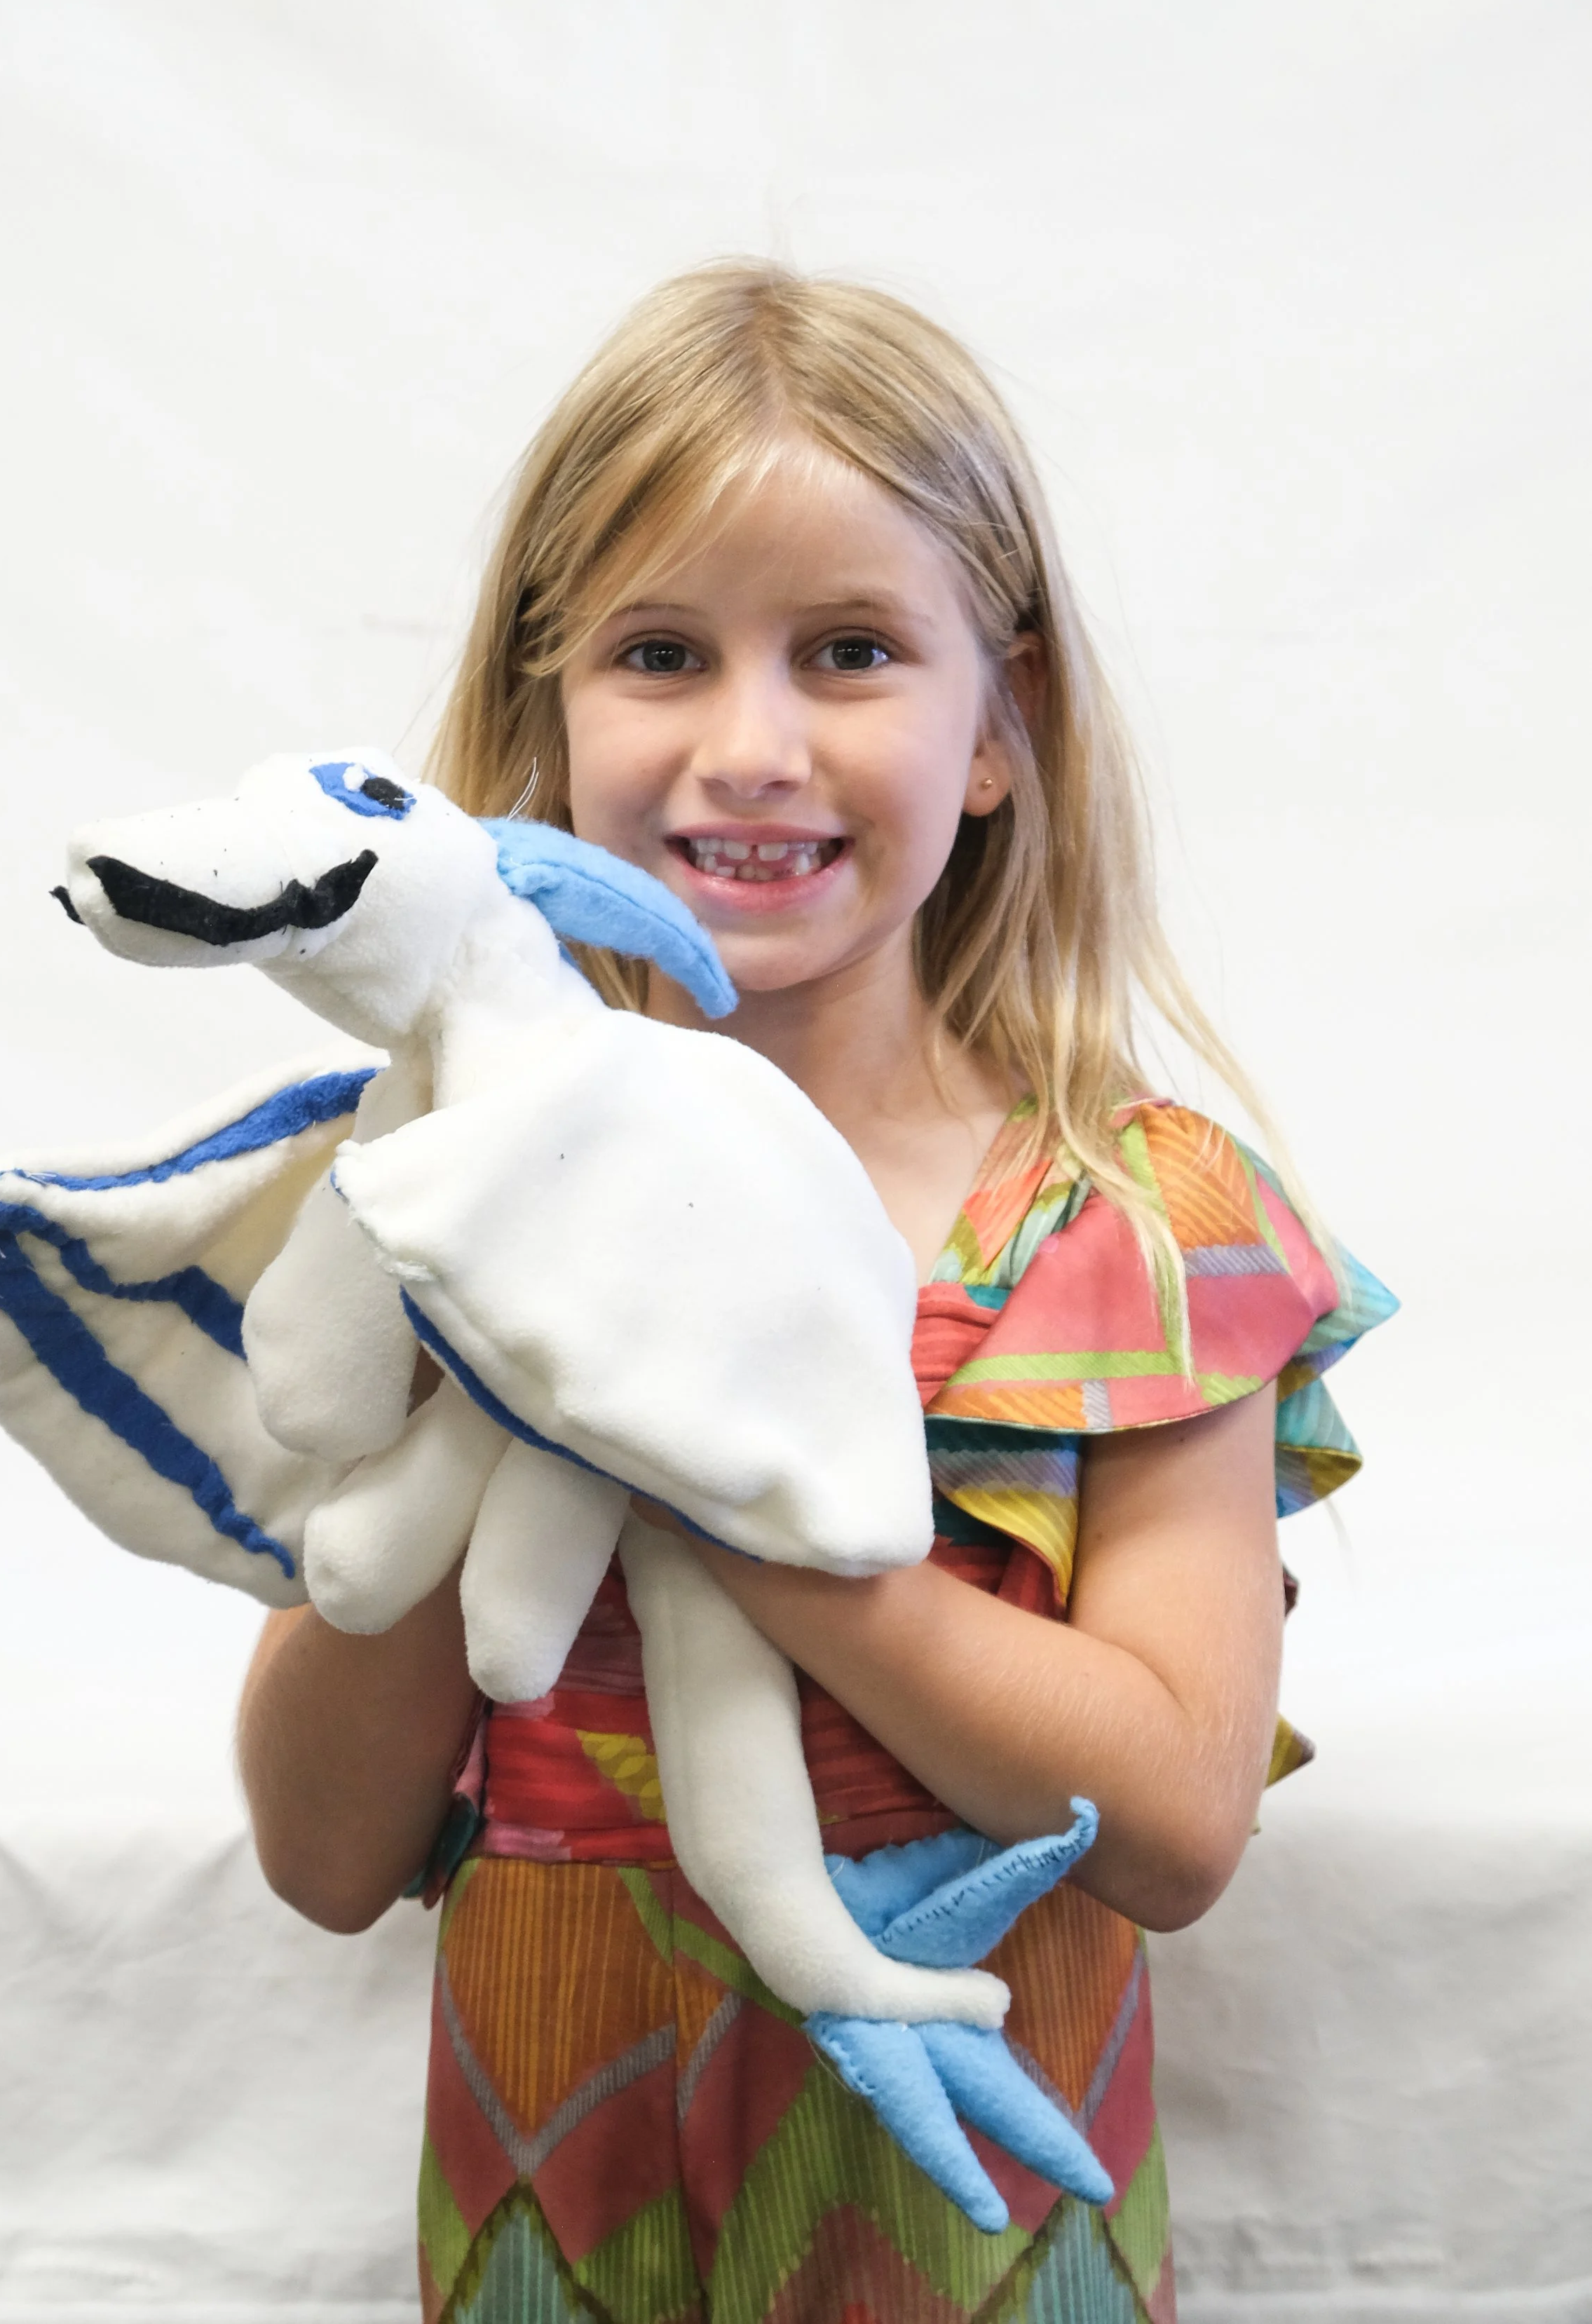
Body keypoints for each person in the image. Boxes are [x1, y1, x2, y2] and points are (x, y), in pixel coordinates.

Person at [236, 264, 1392, 2323]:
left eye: (849, 650)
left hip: (960, 2211)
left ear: (998, 731)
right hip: (553, 2167)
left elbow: (1168, 1826)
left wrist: (710, 1485)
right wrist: (484, 1364)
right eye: (659, 653)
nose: (749, 744)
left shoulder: (1135, 1218)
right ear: (543, 724)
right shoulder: (433, 1191)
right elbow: (327, 1853)